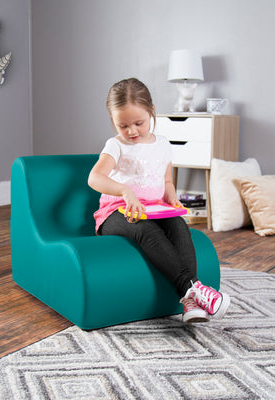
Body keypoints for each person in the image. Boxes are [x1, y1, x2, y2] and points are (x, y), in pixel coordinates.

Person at [88, 77, 230, 323]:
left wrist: (172, 197)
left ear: (151, 112)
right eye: (123, 125)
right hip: (115, 213)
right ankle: (195, 289)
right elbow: (94, 177)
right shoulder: (116, 145)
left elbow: (166, 181)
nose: (131, 131)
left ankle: (189, 302)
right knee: (147, 231)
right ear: (113, 120)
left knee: (179, 226)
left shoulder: (162, 144)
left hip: (153, 210)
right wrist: (125, 191)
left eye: (139, 123)